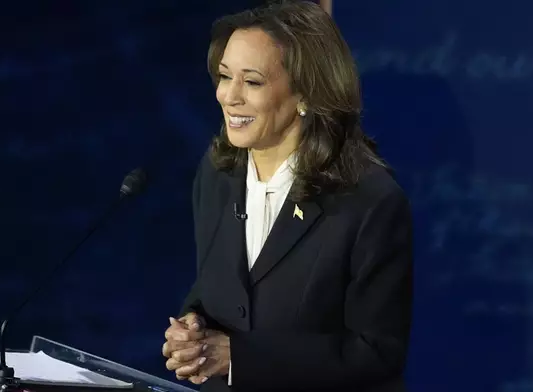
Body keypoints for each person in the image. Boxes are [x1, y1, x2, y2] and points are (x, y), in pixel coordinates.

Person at [162, 1, 413, 391]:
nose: (229, 96)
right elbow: (217, 289)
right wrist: (192, 329)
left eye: (253, 81)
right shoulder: (218, 173)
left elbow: (376, 351)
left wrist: (241, 357)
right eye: (225, 76)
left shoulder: (367, 201)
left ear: (306, 95)